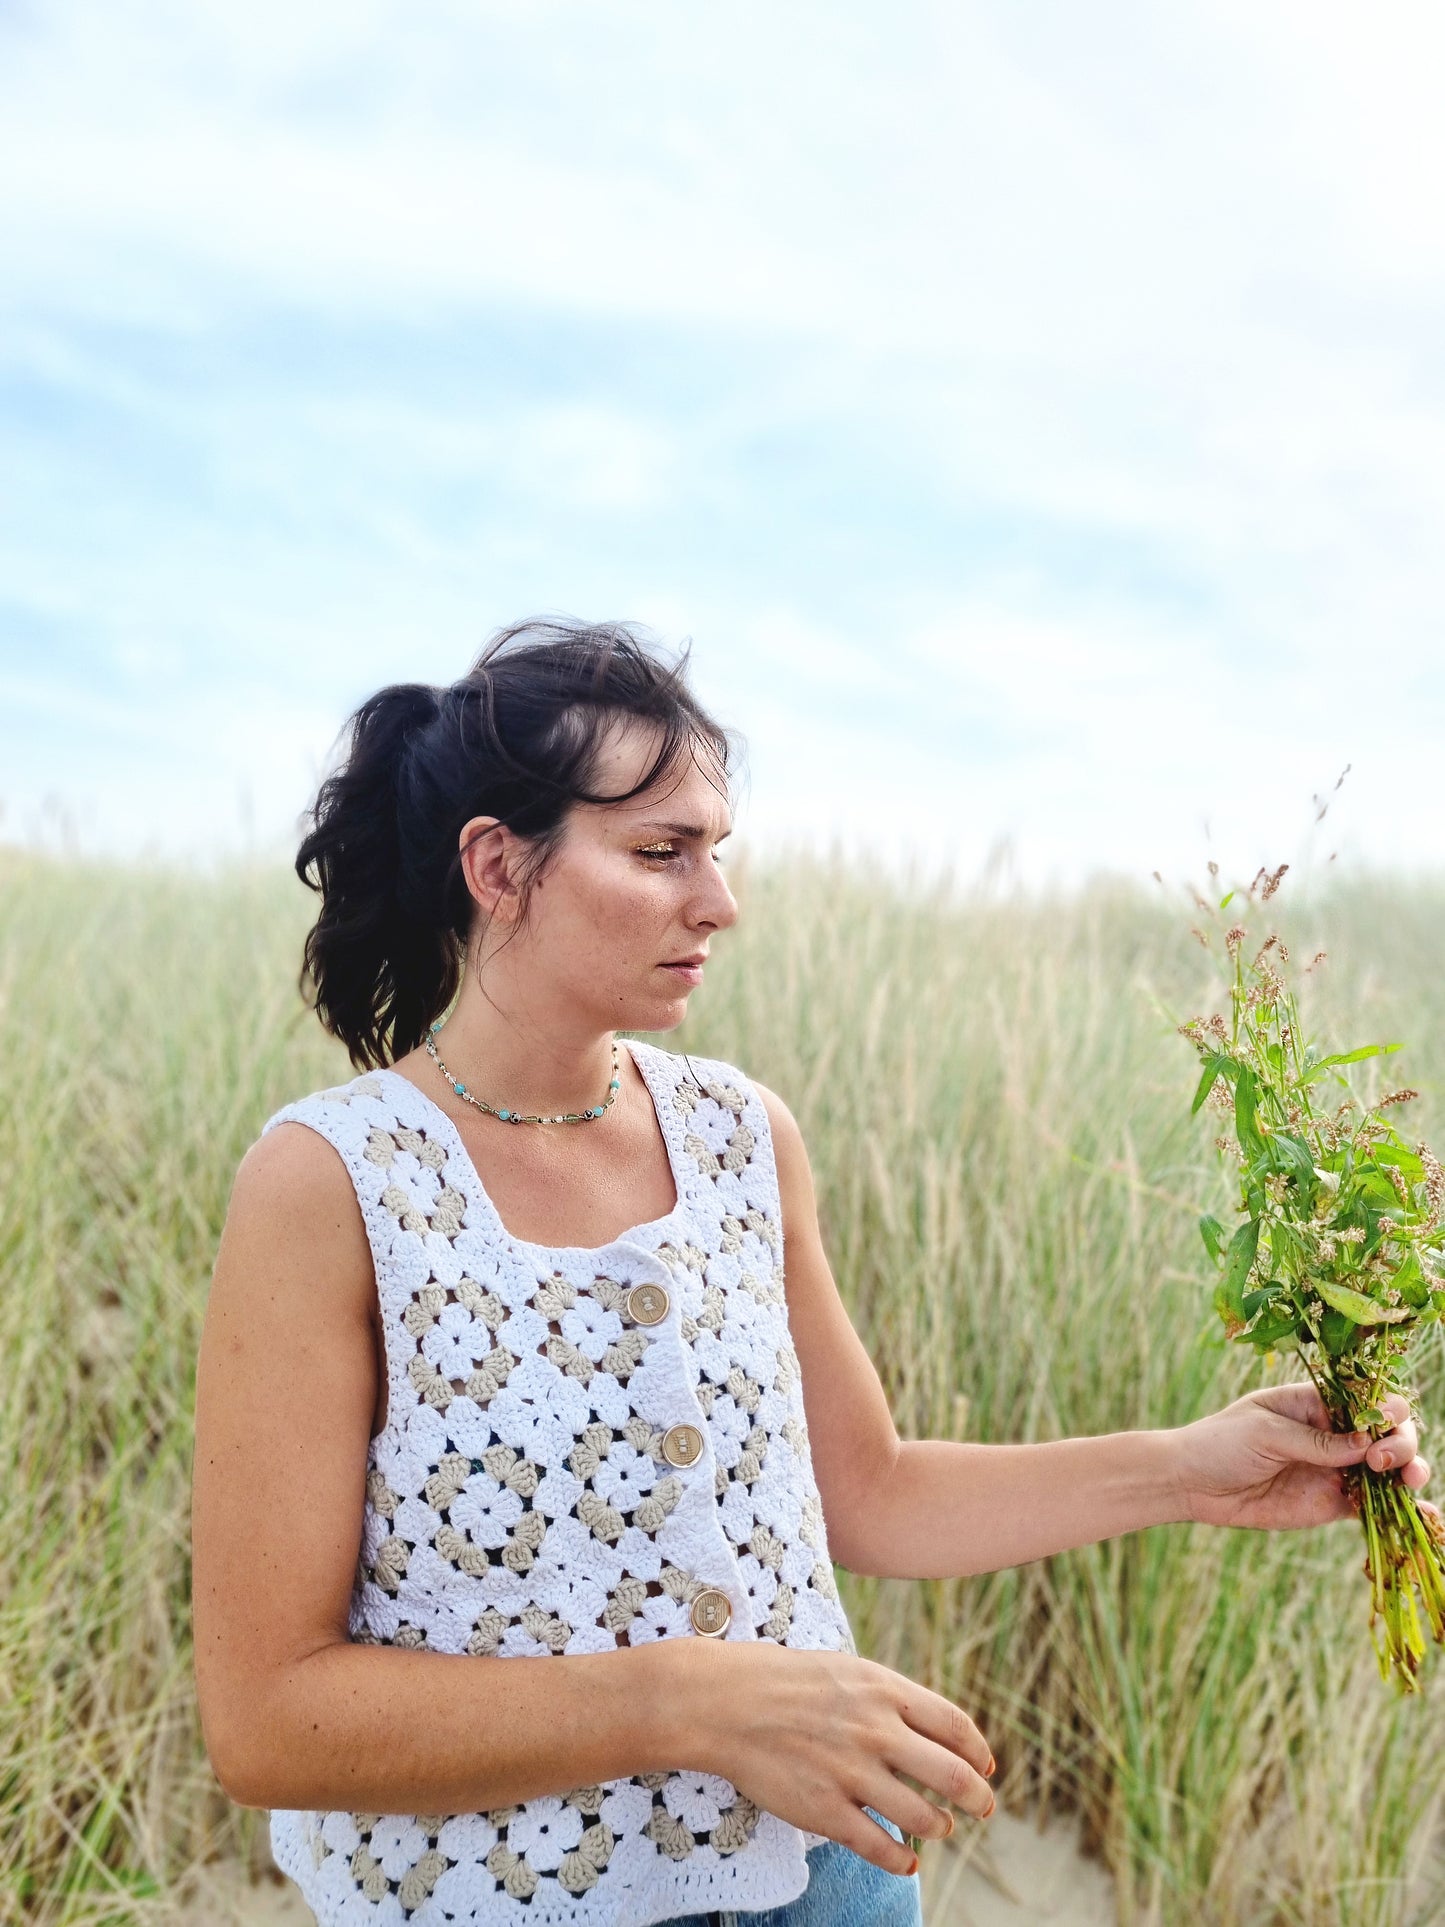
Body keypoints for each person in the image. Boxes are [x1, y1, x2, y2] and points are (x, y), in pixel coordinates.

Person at [191, 618, 1433, 1927]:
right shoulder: (332, 1184)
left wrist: (1194, 1467)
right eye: (659, 852)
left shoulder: (736, 1135)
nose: (717, 900)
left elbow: (869, 1493)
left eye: (714, 851)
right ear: (499, 865)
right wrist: (690, 1702)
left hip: (827, 1877)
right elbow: (268, 1721)